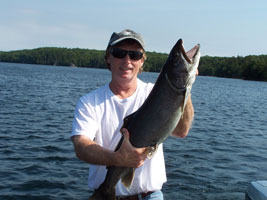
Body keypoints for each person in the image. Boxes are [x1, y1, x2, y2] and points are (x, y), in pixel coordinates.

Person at [71, 29, 195, 200]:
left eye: (135, 55)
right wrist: (118, 159)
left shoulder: (156, 93)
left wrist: (185, 89)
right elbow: (81, 147)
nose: (127, 60)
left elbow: (181, 131)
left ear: (142, 61)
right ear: (108, 57)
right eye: (119, 53)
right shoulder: (89, 102)